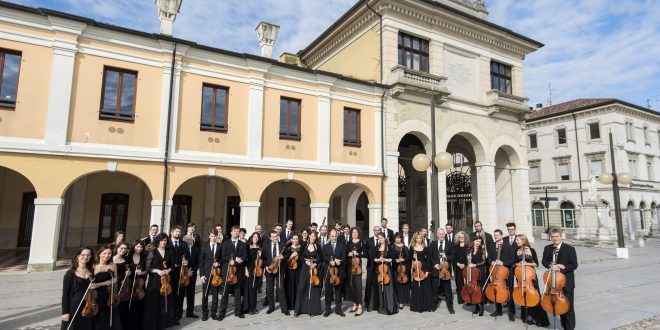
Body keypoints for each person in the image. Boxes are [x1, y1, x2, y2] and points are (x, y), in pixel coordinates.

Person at [542, 227, 578, 330]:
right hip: (553, 283)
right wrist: (551, 265)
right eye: (552, 237)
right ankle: (564, 327)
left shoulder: (570, 249)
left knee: (569, 308)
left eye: (557, 236)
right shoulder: (547, 248)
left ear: (561, 237)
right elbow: (544, 261)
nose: (554, 238)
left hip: (566, 282)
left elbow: (574, 265)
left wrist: (562, 268)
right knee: (560, 307)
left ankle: (570, 328)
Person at [516, 234, 549, 327]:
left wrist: (527, 263)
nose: (516, 241)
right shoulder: (517, 250)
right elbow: (515, 262)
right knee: (524, 296)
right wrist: (518, 264)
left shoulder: (531, 250)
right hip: (522, 277)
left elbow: (536, 264)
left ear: (523, 240)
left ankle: (539, 319)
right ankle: (527, 317)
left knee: (534, 296)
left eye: (517, 240)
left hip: (531, 277)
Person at [143, 234, 174, 330]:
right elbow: (148, 268)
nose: (163, 242)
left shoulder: (169, 251)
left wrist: (168, 270)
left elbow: (172, 265)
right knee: (154, 301)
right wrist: (157, 271)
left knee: (164, 302)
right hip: (155, 280)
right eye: (161, 240)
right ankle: (153, 325)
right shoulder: (152, 252)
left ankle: (163, 323)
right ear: (158, 241)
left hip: (166, 280)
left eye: (165, 240)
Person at [218, 225, 248, 320]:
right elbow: (223, 256)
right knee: (225, 293)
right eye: (234, 231)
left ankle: (238, 312)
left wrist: (241, 260)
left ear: (239, 233)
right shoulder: (225, 243)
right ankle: (222, 313)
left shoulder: (243, 244)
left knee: (238, 293)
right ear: (231, 232)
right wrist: (234, 259)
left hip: (238, 271)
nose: (236, 233)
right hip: (227, 271)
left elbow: (245, 256)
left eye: (237, 231)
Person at [61, 247, 95, 330]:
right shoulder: (70, 273)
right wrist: (65, 312)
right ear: (78, 256)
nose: (85, 257)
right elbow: (65, 294)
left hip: (87, 305)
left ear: (90, 257)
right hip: (74, 306)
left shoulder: (91, 270)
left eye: (88, 255)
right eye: (83, 255)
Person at [368, 233, 398, 315]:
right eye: (379, 238)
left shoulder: (390, 248)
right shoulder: (376, 248)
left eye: (381, 238)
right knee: (378, 288)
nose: (380, 239)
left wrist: (385, 259)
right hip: (378, 270)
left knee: (388, 288)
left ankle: (389, 306)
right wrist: (377, 260)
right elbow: (372, 258)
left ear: (385, 238)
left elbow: (394, 259)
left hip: (387, 270)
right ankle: (380, 306)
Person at [294, 230, 322, 317]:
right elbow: (300, 256)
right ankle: (298, 310)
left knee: (313, 288)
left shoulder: (318, 246)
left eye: (315, 236)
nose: (313, 237)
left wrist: (315, 264)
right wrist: (305, 262)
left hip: (313, 269)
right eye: (312, 236)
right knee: (302, 287)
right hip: (305, 268)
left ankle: (311, 310)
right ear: (309, 236)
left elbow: (320, 258)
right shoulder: (304, 245)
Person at [93, 245, 121, 330]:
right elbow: (91, 282)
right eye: (104, 253)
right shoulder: (94, 265)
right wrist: (104, 283)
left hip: (109, 293)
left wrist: (111, 282)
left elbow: (116, 278)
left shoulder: (113, 265)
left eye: (109, 253)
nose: (107, 255)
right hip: (96, 294)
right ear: (99, 254)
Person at [488, 229, 514, 320]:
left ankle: (511, 313)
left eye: (497, 235)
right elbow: (489, 258)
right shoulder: (491, 246)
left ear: (501, 236)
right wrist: (491, 262)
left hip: (506, 273)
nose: (496, 237)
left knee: (509, 293)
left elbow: (512, 260)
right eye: (494, 235)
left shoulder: (508, 246)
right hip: (496, 273)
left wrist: (503, 263)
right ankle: (498, 311)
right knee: (496, 291)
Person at [430, 228, 455, 314]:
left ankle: (450, 307)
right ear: (437, 235)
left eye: (443, 234)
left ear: (445, 234)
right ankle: (434, 305)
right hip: (436, 270)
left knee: (447, 290)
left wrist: (446, 256)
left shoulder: (450, 244)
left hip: (446, 271)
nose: (441, 235)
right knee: (435, 289)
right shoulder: (433, 244)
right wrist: (434, 264)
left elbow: (453, 256)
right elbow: (430, 257)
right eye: (440, 234)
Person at [322, 230, 347, 317]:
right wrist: (331, 260)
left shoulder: (342, 246)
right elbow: (324, 257)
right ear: (330, 236)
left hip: (339, 272)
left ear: (337, 236)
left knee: (338, 292)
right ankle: (327, 309)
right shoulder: (326, 246)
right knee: (328, 292)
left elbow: (344, 257)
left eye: (335, 236)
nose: (334, 238)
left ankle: (338, 309)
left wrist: (337, 261)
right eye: (332, 236)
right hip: (329, 272)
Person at [408, 231, 434, 313]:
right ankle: (418, 306)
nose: (419, 239)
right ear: (415, 238)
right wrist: (412, 257)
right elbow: (409, 259)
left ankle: (426, 306)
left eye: (420, 238)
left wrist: (427, 271)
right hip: (416, 269)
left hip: (424, 269)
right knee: (417, 288)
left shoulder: (425, 247)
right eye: (418, 238)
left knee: (426, 287)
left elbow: (428, 260)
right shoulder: (412, 248)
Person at [199, 229, 222, 321]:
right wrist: (202, 275)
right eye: (212, 236)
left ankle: (213, 313)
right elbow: (201, 262)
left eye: (215, 236)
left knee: (215, 296)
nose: (214, 238)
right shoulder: (204, 247)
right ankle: (205, 313)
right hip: (206, 274)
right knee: (205, 295)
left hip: (216, 275)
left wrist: (218, 263)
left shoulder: (220, 246)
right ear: (209, 236)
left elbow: (222, 259)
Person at [264, 230, 288, 315]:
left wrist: (283, 257)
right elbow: (263, 258)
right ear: (270, 238)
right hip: (270, 269)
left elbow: (287, 255)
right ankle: (271, 307)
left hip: (279, 270)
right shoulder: (266, 245)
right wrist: (266, 266)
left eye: (276, 236)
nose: (275, 238)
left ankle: (284, 309)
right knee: (270, 290)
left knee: (280, 289)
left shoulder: (282, 245)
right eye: (273, 237)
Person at [168, 225, 189, 322]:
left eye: (179, 232)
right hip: (169, 272)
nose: (178, 233)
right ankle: (169, 315)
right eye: (176, 231)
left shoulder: (184, 244)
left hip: (180, 272)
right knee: (170, 293)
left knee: (180, 293)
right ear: (172, 232)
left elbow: (188, 256)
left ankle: (178, 314)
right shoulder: (167, 243)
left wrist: (186, 262)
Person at [126, 241, 147, 330]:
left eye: (141, 247)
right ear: (134, 246)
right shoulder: (128, 257)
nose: (139, 248)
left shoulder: (144, 257)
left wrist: (141, 272)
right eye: (137, 246)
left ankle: (138, 325)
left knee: (139, 304)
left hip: (140, 285)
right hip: (130, 283)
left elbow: (147, 270)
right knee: (129, 304)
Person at [242, 232, 263, 315]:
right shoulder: (247, 246)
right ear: (252, 237)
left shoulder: (260, 248)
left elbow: (262, 260)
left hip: (257, 270)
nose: (256, 238)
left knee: (254, 289)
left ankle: (253, 307)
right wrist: (246, 270)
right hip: (250, 269)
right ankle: (248, 308)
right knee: (250, 288)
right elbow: (245, 259)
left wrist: (261, 255)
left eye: (257, 237)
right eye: (255, 237)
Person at [346, 227, 365, 316]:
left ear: (358, 233)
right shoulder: (349, 242)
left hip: (357, 267)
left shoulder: (361, 242)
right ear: (351, 233)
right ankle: (355, 304)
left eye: (356, 232)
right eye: (353, 232)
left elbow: (365, 253)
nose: (355, 233)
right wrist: (348, 254)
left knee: (358, 286)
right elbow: (346, 253)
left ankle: (360, 306)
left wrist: (358, 254)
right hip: (350, 267)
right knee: (352, 286)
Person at [467, 236, 488, 316]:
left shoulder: (482, 250)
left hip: (480, 271)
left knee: (481, 289)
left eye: (479, 241)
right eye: (476, 241)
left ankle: (481, 307)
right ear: (474, 241)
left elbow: (483, 261)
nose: (478, 242)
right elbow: (468, 260)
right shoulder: (469, 250)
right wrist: (469, 262)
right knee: (474, 289)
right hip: (472, 272)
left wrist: (475, 264)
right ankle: (476, 306)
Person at [112, 242, 131, 329]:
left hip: (123, 284)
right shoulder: (111, 258)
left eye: (125, 249)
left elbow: (128, 270)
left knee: (122, 305)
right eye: (121, 248)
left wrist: (128, 273)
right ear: (117, 248)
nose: (123, 250)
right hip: (114, 284)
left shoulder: (126, 259)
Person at [180, 235, 199, 319]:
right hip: (182, 274)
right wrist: (185, 271)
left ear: (192, 240)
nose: (188, 241)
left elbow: (198, 262)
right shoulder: (181, 248)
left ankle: (190, 312)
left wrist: (192, 271)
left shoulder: (196, 249)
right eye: (186, 239)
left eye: (189, 239)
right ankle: (179, 313)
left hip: (192, 274)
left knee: (191, 294)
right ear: (183, 240)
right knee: (180, 294)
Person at [503, 222, 518, 320]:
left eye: (512, 229)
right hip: (507, 268)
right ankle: (511, 309)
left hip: (517, 268)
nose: (510, 231)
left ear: (515, 229)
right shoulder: (504, 240)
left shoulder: (519, 239)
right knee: (508, 288)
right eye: (509, 229)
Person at [364, 226, 381, 307]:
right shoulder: (369, 240)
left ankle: (378, 301)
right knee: (369, 283)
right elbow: (366, 252)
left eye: (378, 230)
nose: (377, 232)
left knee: (378, 283)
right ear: (373, 231)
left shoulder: (382, 240)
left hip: (380, 266)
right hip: (371, 264)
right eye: (376, 230)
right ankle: (367, 301)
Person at [391, 233, 410, 309]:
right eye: (396, 238)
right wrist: (396, 260)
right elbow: (390, 257)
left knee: (404, 285)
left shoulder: (405, 247)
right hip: (396, 268)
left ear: (401, 239)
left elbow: (409, 257)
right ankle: (398, 301)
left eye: (399, 238)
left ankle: (403, 301)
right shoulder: (392, 247)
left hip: (403, 268)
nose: (397, 239)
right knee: (397, 285)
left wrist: (404, 259)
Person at [285, 233, 302, 312]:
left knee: (297, 286)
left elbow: (303, 259)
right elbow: (286, 260)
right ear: (291, 240)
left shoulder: (301, 248)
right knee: (290, 286)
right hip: (290, 270)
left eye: (297, 239)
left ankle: (297, 304)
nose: (295, 240)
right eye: (294, 239)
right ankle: (290, 304)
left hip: (298, 270)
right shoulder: (288, 248)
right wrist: (291, 256)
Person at [452, 231, 469, 305]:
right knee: (459, 284)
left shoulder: (468, 247)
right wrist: (458, 263)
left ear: (465, 238)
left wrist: (464, 264)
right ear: (458, 238)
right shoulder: (455, 246)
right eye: (460, 237)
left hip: (466, 267)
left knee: (466, 284)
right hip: (458, 267)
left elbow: (468, 257)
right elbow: (454, 257)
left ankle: (468, 299)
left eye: (462, 237)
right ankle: (461, 299)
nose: (461, 238)